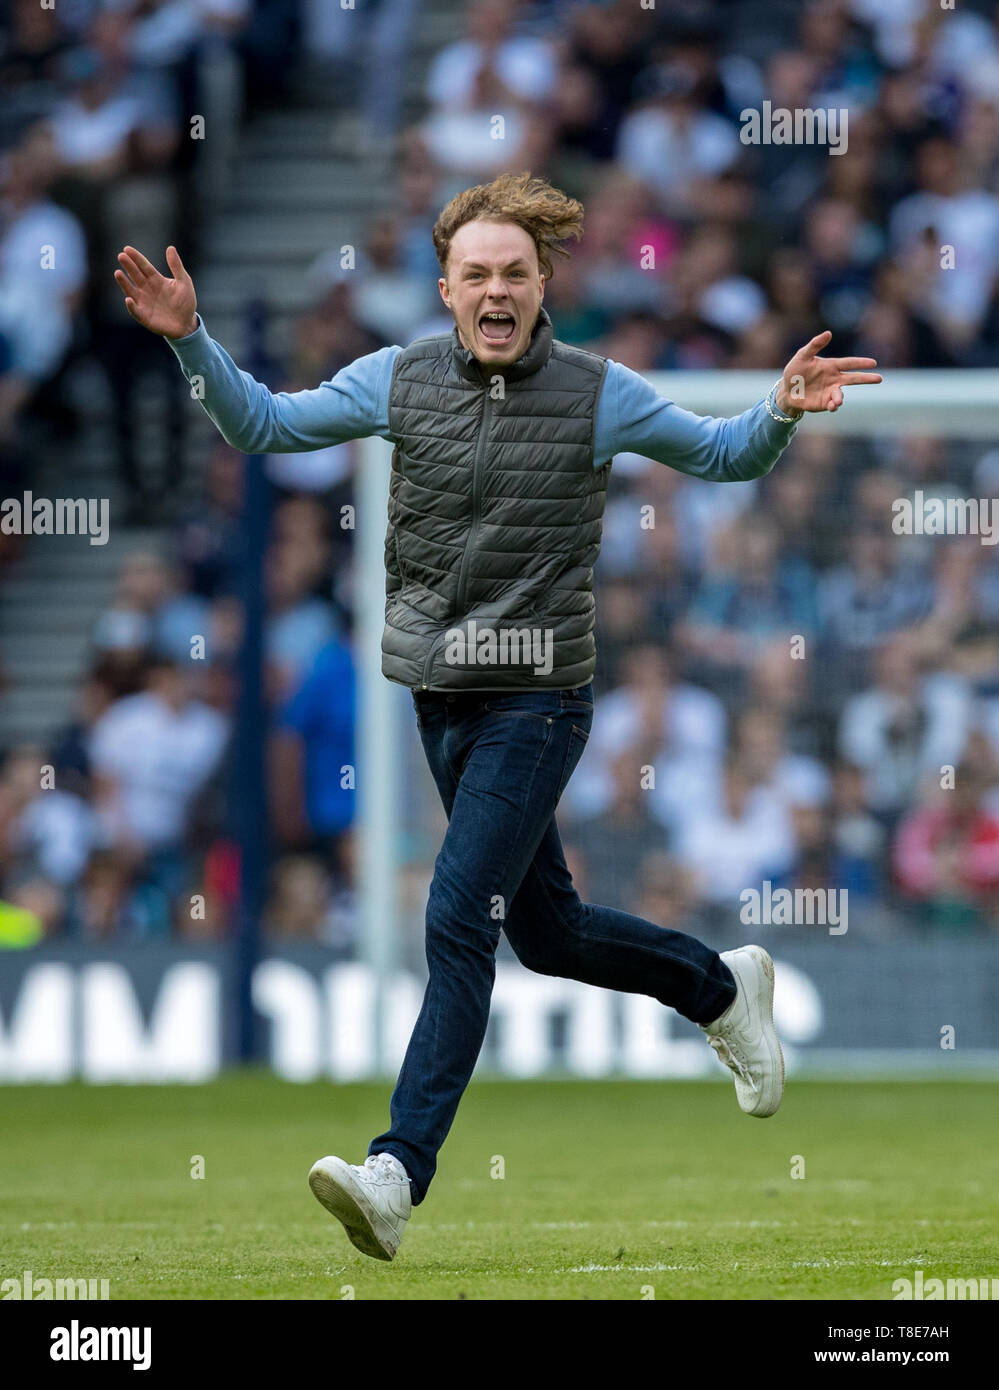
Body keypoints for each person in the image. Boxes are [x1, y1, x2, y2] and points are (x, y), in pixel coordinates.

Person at [113, 171, 882, 1262]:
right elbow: (266, 429)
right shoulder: (397, 378)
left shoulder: (598, 390)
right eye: (476, 273)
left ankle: (395, 1171)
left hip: (541, 697)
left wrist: (779, 414)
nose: (496, 289)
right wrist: (192, 344)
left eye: (514, 272)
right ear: (444, 290)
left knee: (454, 920)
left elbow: (720, 454)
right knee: (548, 932)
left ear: (541, 283)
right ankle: (721, 983)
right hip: (442, 702)